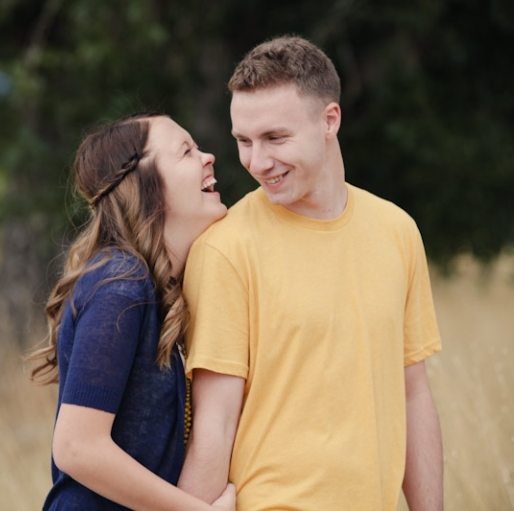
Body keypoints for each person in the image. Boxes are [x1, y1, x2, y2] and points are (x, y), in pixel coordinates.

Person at [177, 36, 444, 510]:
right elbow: (214, 424)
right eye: (243, 141)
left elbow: (412, 394)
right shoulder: (225, 249)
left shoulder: (397, 231)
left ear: (329, 120)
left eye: (275, 138)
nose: (257, 162)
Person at [28, 112, 235, 511]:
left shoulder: (151, 289)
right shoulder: (121, 283)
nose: (208, 157)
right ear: (142, 184)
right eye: (186, 151)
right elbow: (76, 446)